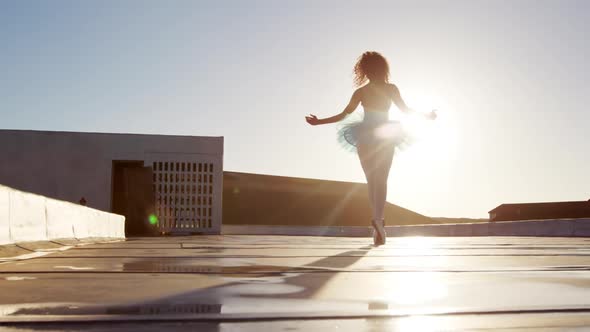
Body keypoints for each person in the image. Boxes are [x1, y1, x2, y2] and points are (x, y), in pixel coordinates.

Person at [305, 51, 435, 246]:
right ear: (383, 69)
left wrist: (319, 122)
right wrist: (426, 115)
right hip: (385, 135)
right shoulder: (391, 88)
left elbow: (343, 115)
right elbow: (405, 110)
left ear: (364, 70)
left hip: (365, 135)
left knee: (371, 180)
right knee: (382, 179)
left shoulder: (361, 92)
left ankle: (377, 225)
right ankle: (378, 220)